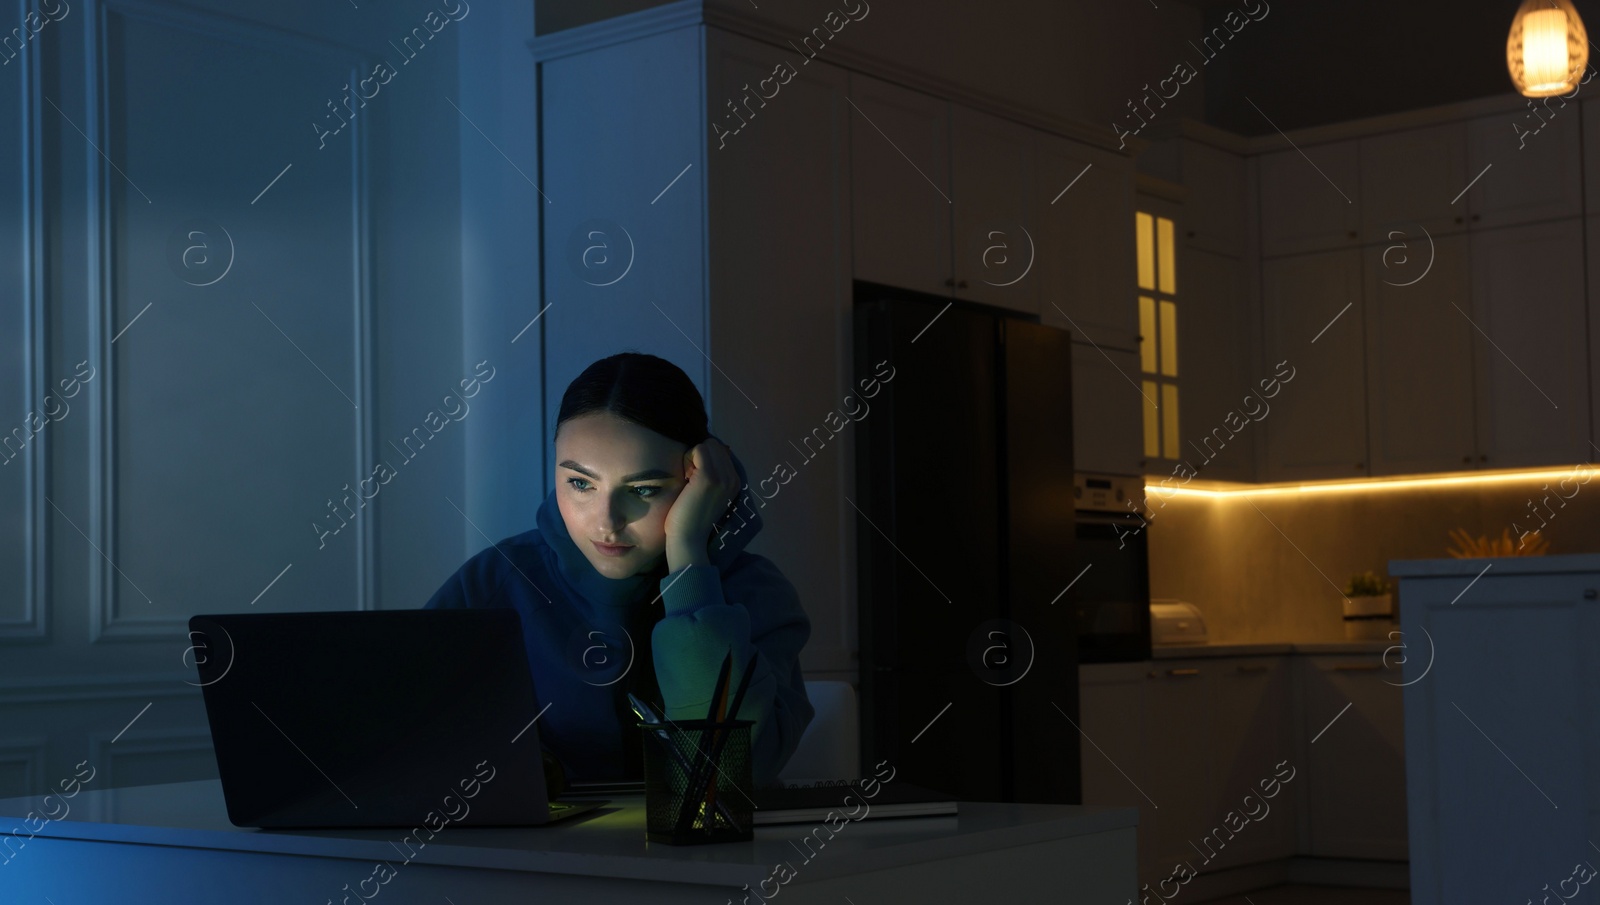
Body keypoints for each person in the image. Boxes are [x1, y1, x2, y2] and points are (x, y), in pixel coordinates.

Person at [423, 352, 813, 788]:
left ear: (698, 481)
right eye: (580, 484)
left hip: (715, 855)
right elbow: (405, 747)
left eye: (643, 488)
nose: (607, 521)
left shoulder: (755, 593)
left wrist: (688, 558)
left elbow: (726, 780)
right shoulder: (495, 582)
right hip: (532, 855)